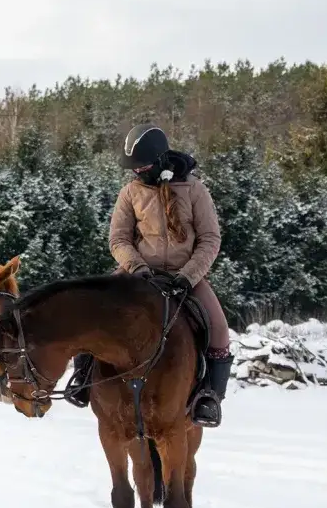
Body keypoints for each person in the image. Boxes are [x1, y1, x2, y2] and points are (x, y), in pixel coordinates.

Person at [64, 123, 233, 428]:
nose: (137, 172)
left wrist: (188, 276)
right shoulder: (130, 192)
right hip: (138, 273)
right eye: (134, 167)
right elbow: (118, 239)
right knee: (94, 312)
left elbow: (210, 239)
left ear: (159, 161)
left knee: (219, 331)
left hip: (186, 277)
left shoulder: (195, 190)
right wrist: (137, 268)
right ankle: (83, 378)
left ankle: (208, 397)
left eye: (142, 166)